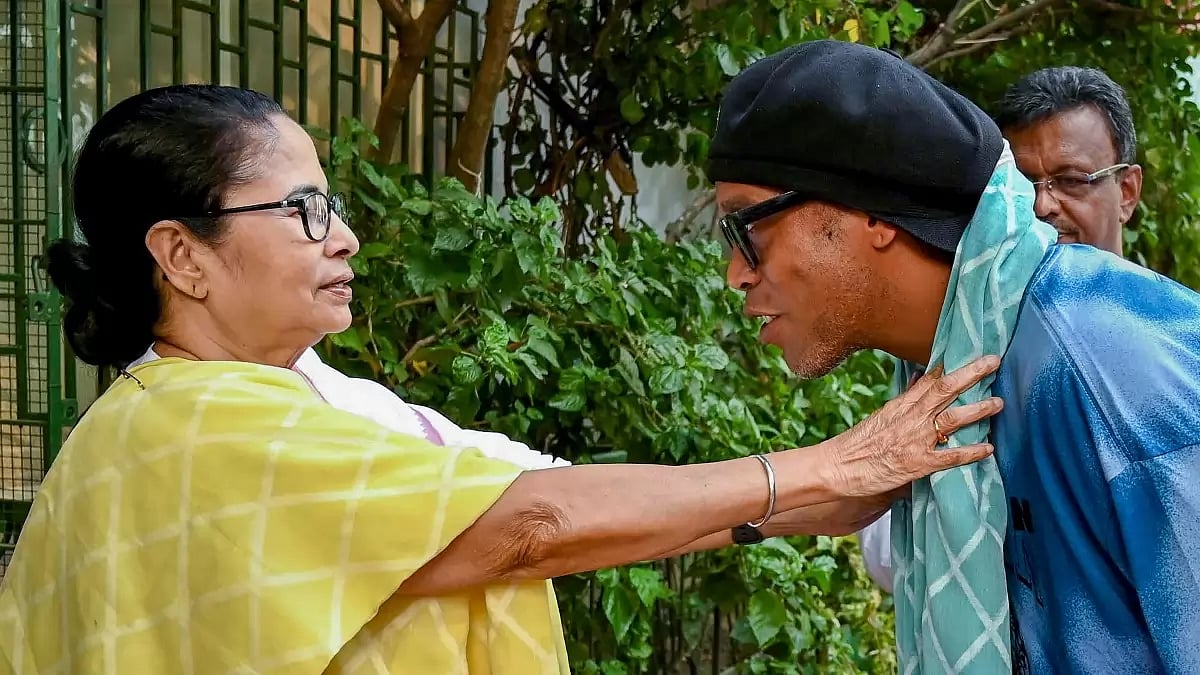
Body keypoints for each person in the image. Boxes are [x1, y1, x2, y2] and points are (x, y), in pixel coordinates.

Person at [0, 85, 1002, 674]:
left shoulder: (311, 399)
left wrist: (829, 492)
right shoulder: (193, 434)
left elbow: (557, 496)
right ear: (182, 255)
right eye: (302, 209)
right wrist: (828, 466)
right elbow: (528, 525)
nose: (344, 235)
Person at [709, 41, 1200, 674]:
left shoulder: (1108, 362)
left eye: (745, 226)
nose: (733, 274)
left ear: (870, 210)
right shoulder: (945, 367)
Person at [856, 64, 1145, 592]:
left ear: (1127, 191)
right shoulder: (962, 347)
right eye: (1022, 186)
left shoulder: (1165, 348)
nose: (1042, 205)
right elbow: (889, 559)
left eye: (1072, 181)